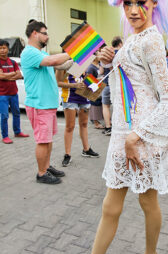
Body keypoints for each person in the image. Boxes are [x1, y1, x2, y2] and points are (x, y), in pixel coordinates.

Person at [85, 0, 168, 254]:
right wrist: (106, 61)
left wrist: (136, 136)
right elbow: (126, 83)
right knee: (110, 207)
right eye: (128, 2)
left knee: (147, 200)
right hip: (122, 132)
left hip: (144, 135)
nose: (133, 10)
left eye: (141, 2)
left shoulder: (152, 40)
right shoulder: (133, 39)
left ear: (155, 4)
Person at [21, 21, 70, 184]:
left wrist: (87, 56)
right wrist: (74, 52)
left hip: (47, 105)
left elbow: (61, 64)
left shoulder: (41, 53)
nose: (47, 36)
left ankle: (46, 166)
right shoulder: (29, 52)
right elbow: (52, 61)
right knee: (42, 140)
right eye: (45, 33)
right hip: (39, 104)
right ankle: (41, 173)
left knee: (47, 139)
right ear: (34, 33)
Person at [55, 46, 99, 167]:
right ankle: (67, 154)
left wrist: (94, 84)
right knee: (70, 126)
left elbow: (85, 80)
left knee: (84, 124)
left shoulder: (84, 62)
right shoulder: (63, 63)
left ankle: (86, 149)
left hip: (84, 96)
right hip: (70, 98)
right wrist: (74, 86)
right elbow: (57, 82)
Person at [0, 39, 29, 144]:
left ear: (8, 49)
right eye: (0, 48)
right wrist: (12, 75)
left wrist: (6, 76)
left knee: (16, 113)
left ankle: (17, 132)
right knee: (4, 115)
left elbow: (19, 74)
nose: (2, 50)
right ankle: (5, 136)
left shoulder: (12, 62)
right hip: (2, 94)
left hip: (13, 93)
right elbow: (1, 76)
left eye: (4, 48)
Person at [101, 36, 123, 136]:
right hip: (118, 84)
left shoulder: (107, 53)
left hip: (106, 84)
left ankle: (108, 127)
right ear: (120, 43)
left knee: (105, 106)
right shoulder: (121, 53)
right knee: (117, 106)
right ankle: (117, 125)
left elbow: (101, 71)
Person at [86, 54, 104, 129]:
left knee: (98, 104)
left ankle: (97, 121)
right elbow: (87, 80)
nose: (100, 55)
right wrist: (99, 80)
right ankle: (95, 122)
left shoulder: (99, 65)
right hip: (93, 89)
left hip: (99, 88)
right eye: (98, 54)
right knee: (94, 105)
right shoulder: (90, 67)